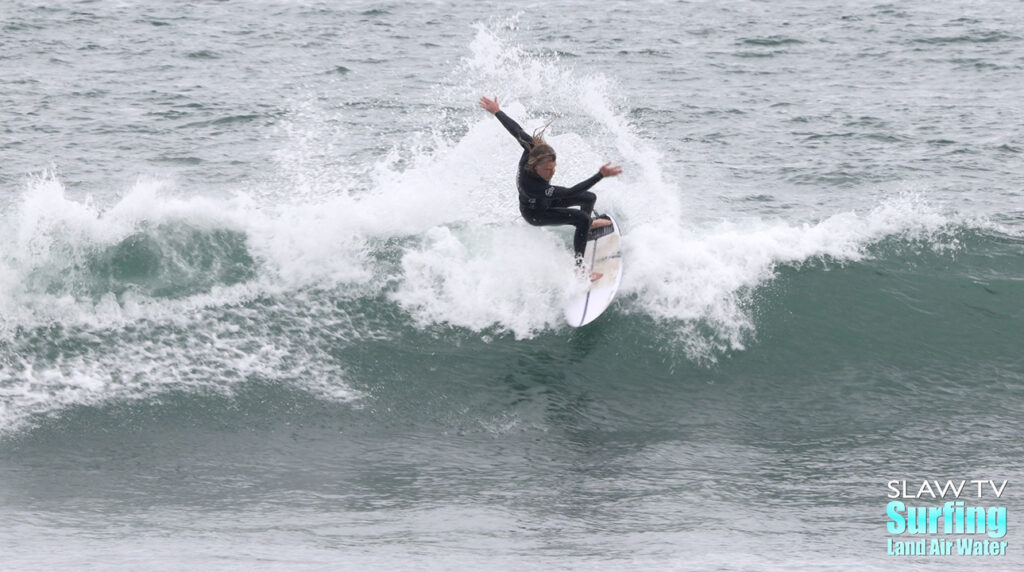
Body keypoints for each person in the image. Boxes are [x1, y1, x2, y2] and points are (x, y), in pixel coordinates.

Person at [479, 96, 622, 280]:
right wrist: (599, 175)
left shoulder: (532, 147)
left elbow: (516, 130)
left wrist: (497, 111)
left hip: (544, 202)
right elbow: (571, 192)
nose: (551, 172)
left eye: (553, 167)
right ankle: (579, 269)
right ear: (535, 166)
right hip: (535, 213)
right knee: (581, 217)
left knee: (589, 198)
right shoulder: (532, 185)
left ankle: (587, 227)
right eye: (547, 170)